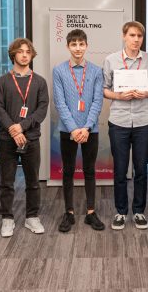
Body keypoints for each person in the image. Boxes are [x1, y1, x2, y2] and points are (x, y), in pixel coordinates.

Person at [103, 21, 148, 230]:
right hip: (119, 120)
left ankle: (139, 211)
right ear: (124, 36)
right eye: (132, 35)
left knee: (141, 169)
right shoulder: (111, 60)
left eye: (139, 37)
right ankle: (120, 211)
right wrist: (118, 95)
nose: (136, 40)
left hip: (144, 120)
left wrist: (147, 93)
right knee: (120, 169)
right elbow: (104, 89)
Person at [0, 38, 49, 237]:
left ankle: (32, 217)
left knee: (32, 181)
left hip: (31, 139)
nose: (25, 54)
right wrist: (13, 130)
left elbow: (41, 110)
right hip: (7, 139)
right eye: (20, 51)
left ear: (32, 55)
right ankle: (7, 218)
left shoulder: (40, 82)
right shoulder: (2, 81)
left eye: (28, 51)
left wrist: (22, 127)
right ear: (13, 55)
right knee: (6, 182)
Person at [52, 29, 105, 232]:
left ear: (86, 46)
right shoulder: (59, 71)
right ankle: (69, 213)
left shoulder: (96, 71)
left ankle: (91, 213)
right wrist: (74, 129)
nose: (77, 48)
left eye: (81, 44)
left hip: (90, 130)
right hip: (68, 131)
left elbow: (97, 102)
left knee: (90, 171)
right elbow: (60, 102)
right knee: (68, 171)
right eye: (73, 44)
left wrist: (86, 127)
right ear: (67, 47)